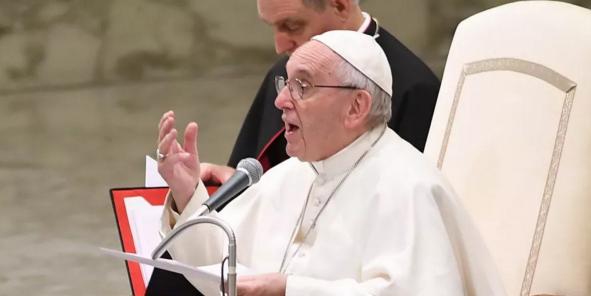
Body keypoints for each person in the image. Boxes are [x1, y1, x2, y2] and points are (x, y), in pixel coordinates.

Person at [152, 30, 465, 296]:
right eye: (285, 84)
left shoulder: (409, 187)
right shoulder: (289, 176)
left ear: (356, 106)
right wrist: (187, 192)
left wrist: (290, 290)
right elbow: (222, 265)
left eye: (302, 86)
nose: (280, 101)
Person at [200, 0, 440, 186]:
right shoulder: (283, 71)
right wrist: (229, 183)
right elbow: (259, 185)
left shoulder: (413, 89)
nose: (279, 46)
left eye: (292, 26)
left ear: (339, 5)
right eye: (273, 27)